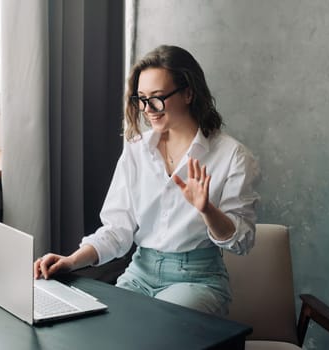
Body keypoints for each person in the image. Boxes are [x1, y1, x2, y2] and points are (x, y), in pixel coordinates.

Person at [34, 45, 260, 315]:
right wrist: (71, 261)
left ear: (188, 93)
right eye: (141, 99)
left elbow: (242, 242)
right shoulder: (137, 149)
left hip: (196, 279)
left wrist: (206, 210)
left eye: (157, 98)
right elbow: (118, 230)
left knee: (158, 331)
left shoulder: (232, 156)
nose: (147, 109)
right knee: (104, 330)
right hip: (140, 274)